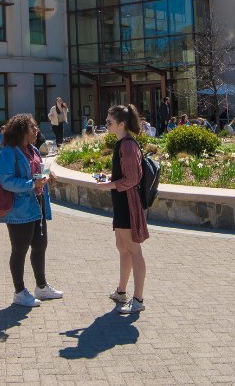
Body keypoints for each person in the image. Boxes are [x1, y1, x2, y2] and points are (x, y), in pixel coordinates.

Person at [0, 114, 61, 307]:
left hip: (37, 204)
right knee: (20, 250)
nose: (36, 131)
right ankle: (19, 292)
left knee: (40, 245)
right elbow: (5, 181)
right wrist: (33, 183)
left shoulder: (32, 149)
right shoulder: (9, 153)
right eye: (33, 128)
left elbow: (37, 171)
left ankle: (41, 287)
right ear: (22, 130)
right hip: (19, 209)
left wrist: (48, 174)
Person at [92, 104, 148, 314]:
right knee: (123, 248)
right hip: (122, 202)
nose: (106, 125)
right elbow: (125, 175)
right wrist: (110, 180)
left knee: (134, 251)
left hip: (128, 204)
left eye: (109, 122)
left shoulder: (127, 145)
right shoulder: (122, 144)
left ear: (121, 124)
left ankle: (139, 299)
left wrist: (109, 185)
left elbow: (133, 179)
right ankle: (122, 291)